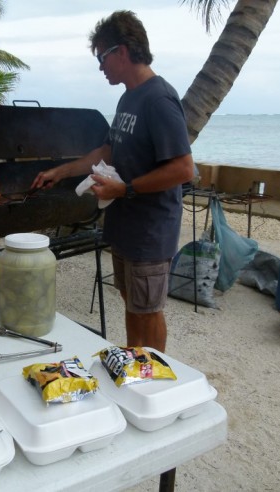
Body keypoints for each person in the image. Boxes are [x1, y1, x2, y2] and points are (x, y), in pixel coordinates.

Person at [32, 10, 194, 352]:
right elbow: (108, 149)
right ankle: (133, 362)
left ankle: (153, 377)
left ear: (121, 51)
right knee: (132, 302)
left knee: (149, 311)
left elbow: (183, 169)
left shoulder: (159, 99)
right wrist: (60, 172)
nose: (100, 67)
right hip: (125, 226)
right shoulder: (128, 98)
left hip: (150, 229)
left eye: (102, 58)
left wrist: (126, 189)